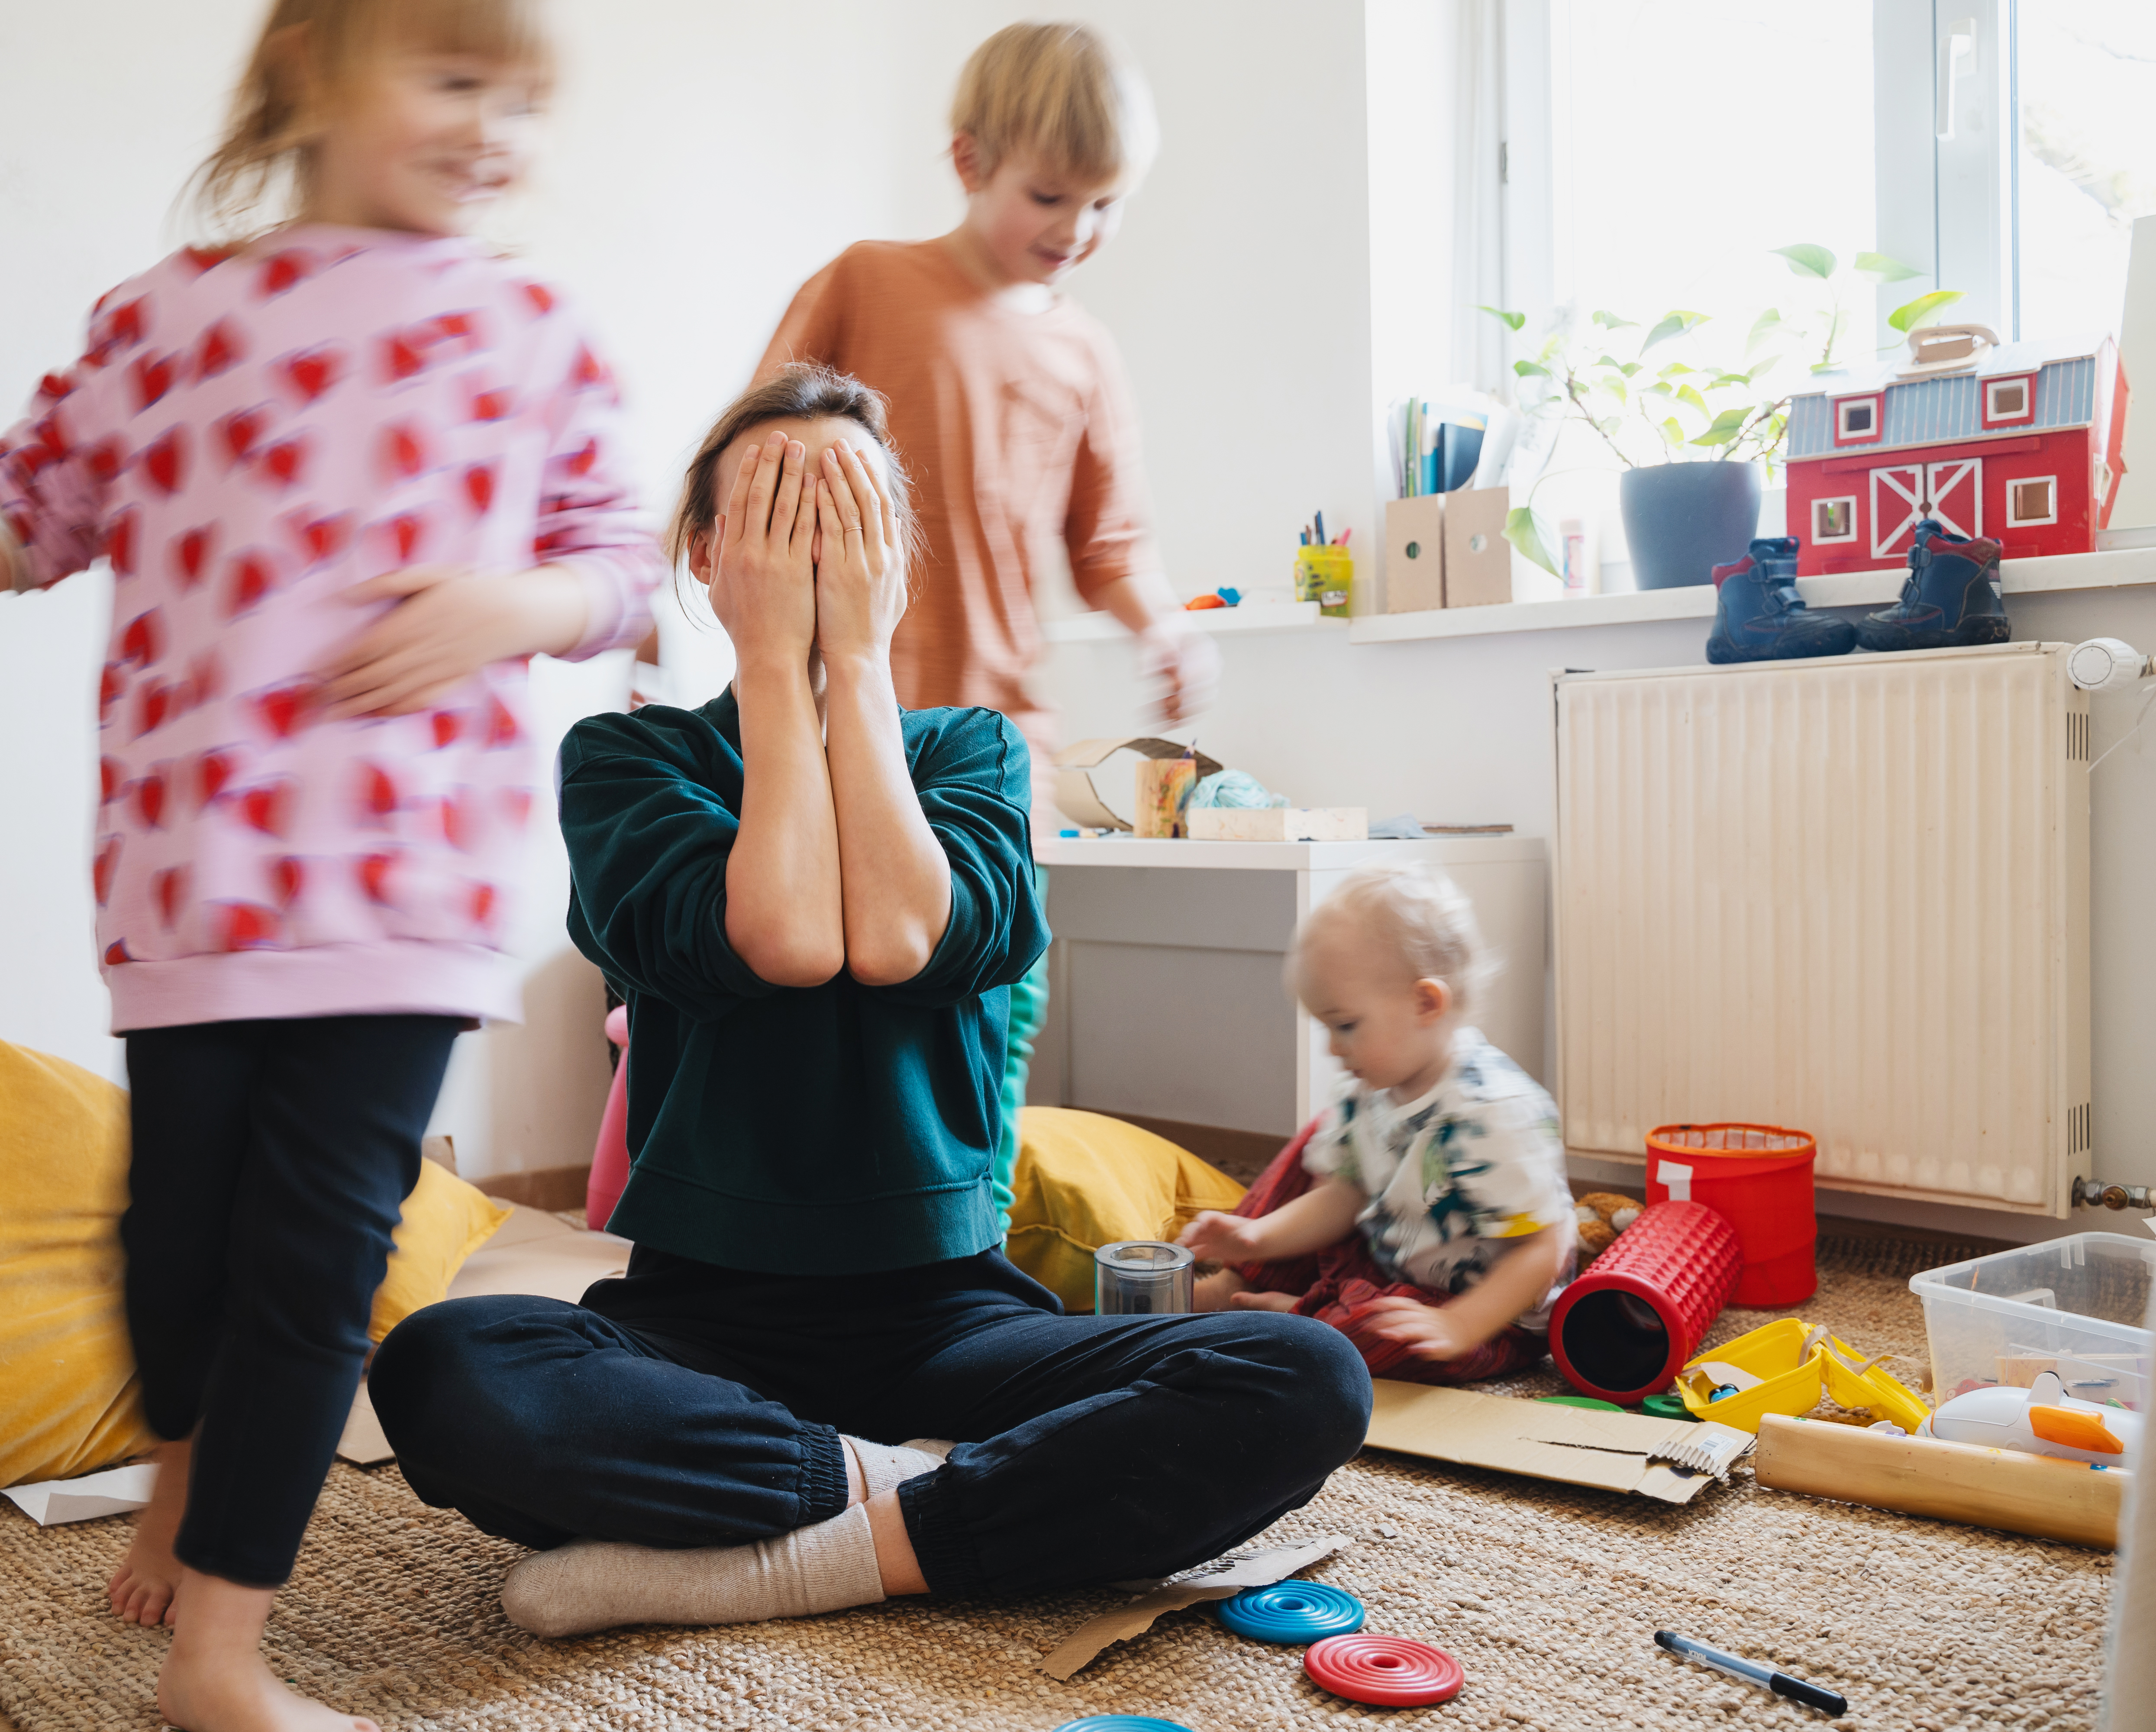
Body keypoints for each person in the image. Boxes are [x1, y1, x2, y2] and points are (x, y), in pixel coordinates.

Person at [0, 1, 659, 1725]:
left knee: (310, 1266)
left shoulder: (532, 329)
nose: (496, 127)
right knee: (173, 1264)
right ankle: (184, 1467)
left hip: (404, 905)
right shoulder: (172, 320)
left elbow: (623, 564)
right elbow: (13, 509)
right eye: (453, 78)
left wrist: (524, 603)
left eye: (523, 99)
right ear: (309, 82)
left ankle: (223, 1654)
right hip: (193, 894)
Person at [368, 365, 1368, 1638]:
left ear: (894, 557)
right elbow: (783, 936)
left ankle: (818, 1542)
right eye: (780, 516)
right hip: (695, 1319)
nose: (813, 551)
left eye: (845, 518)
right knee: (445, 1369)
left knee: (1303, 1374)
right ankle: (920, 1499)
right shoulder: (631, 759)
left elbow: (899, 936)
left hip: (947, 1317)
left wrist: (850, 653)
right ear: (708, 553)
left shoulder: (970, 752)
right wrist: (780, 666)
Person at [755, 22, 1216, 1208]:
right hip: (846, 713)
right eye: (1050, 196)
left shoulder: (1086, 354)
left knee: (1003, 984)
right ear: (968, 163)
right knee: (843, 986)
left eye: (1107, 204)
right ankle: (836, 1222)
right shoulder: (868, 282)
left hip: (1001, 734)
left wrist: (1160, 623)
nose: (1078, 232)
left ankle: (977, 1210)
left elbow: (1109, 541)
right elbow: (757, 438)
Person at [1181, 863, 1577, 1385]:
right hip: (1389, 1255)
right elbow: (1345, 1194)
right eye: (1325, 1026)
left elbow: (1541, 1250)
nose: (1332, 1047)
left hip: (1483, 1309)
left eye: (1345, 1025)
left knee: (1379, 1337)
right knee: (1316, 1147)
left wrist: (1459, 1323)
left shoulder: (1492, 1112)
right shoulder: (1367, 1085)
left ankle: (1301, 1318)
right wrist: (1256, 1237)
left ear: (1425, 1003)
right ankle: (1240, 1283)